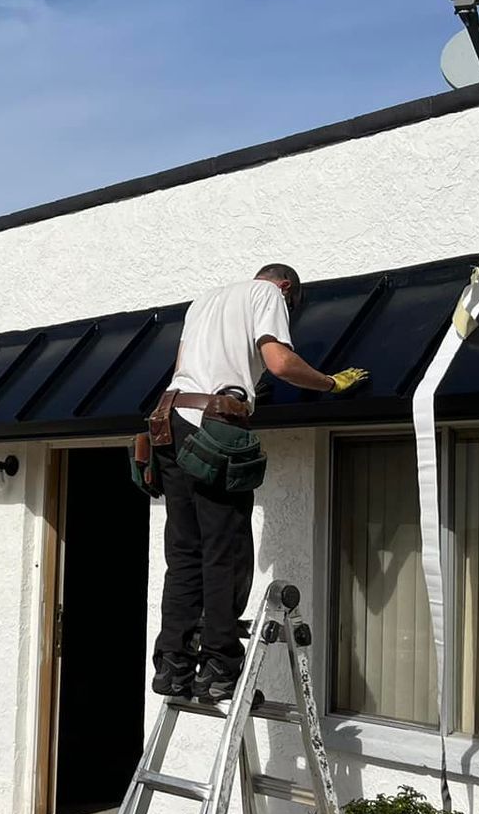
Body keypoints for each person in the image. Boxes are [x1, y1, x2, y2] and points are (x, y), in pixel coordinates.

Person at [148, 263, 367, 704]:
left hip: (168, 421)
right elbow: (280, 361)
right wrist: (327, 382)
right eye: (291, 305)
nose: (286, 310)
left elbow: (188, 367)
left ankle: (173, 667)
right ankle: (219, 669)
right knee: (224, 550)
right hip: (212, 425)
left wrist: (248, 385)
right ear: (285, 287)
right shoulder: (266, 295)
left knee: (185, 551)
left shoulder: (205, 299)